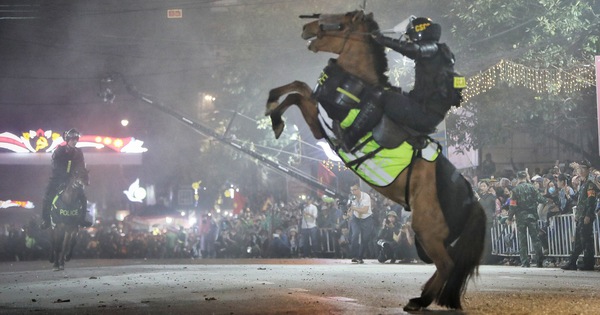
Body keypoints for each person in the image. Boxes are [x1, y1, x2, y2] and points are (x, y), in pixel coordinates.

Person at [340, 16, 463, 151]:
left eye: (409, 38)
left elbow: (414, 49)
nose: (408, 41)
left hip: (423, 114)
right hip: (427, 112)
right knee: (390, 91)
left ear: (419, 33)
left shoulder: (432, 48)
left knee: (381, 96)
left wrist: (382, 40)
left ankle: (348, 139)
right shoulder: (442, 55)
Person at [41, 128, 91, 229]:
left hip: (73, 179)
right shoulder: (59, 150)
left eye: (76, 140)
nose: (75, 142)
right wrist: (65, 175)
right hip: (58, 178)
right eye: (72, 140)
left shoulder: (79, 152)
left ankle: (82, 219)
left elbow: (81, 165)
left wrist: (79, 175)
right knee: (48, 196)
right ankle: (46, 220)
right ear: (68, 140)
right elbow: (55, 165)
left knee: (83, 197)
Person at [561, 161, 598, 271]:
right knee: (578, 240)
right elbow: (579, 200)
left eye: (583, 169)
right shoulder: (583, 184)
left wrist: (587, 215)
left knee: (586, 240)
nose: (581, 171)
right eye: (579, 169)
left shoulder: (590, 184)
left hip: (586, 215)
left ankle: (588, 263)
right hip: (581, 215)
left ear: (588, 170)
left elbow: (591, 200)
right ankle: (572, 262)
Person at [507, 170, 546, 267]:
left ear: (518, 178)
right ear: (525, 177)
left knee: (522, 240)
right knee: (535, 239)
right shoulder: (532, 188)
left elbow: (513, 206)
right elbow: (541, 199)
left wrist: (510, 218)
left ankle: (525, 262)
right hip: (532, 216)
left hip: (520, 217)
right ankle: (539, 261)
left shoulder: (515, 190)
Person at [348, 183, 374, 264]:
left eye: (355, 190)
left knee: (365, 238)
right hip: (356, 218)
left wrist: (354, 208)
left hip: (366, 218)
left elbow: (365, 210)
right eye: (352, 190)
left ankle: (360, 257)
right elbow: (350, 210)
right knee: (355, 234)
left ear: (359, 189)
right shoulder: (351, 198)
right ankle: (354, 256)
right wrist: (348, 214)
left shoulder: (366, 196)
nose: (353, 192)